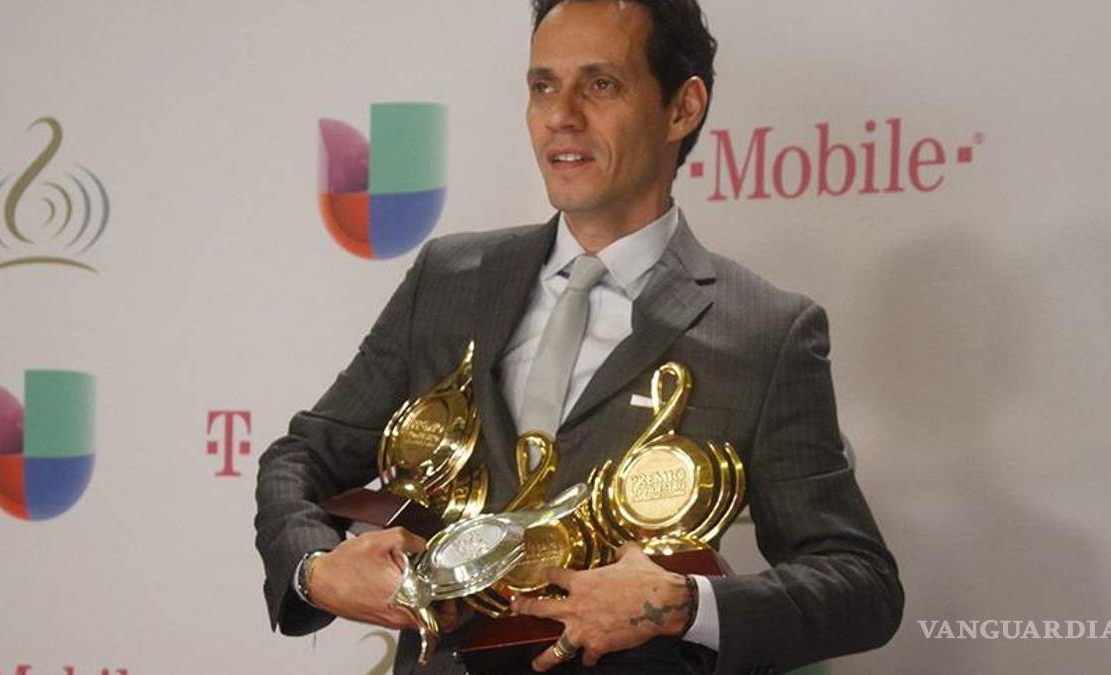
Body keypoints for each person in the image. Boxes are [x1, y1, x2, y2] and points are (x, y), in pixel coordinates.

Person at [254, 1, 904, 673]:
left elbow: (861, 584)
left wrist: (684, 604)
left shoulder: (764, 331)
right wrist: (314, 570)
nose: (560, 115)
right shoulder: (448, 279)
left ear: (682, 108)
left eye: (600, 84)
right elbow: (302, 458)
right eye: (543, 86)